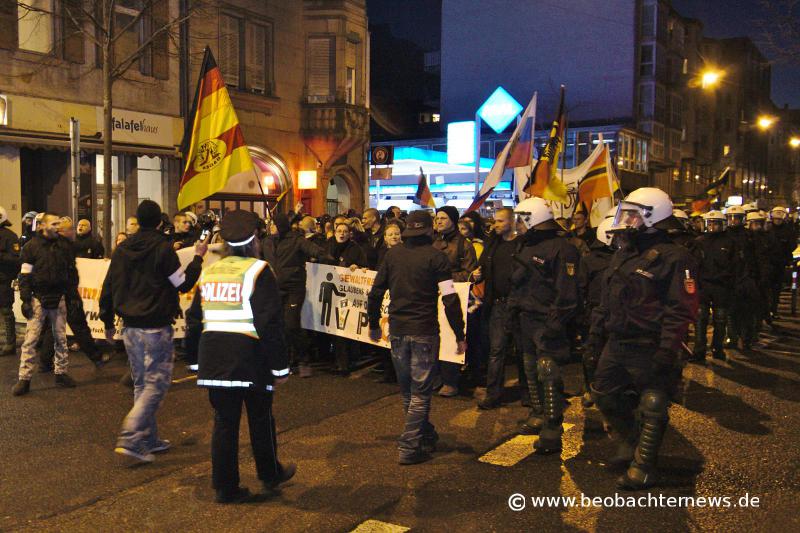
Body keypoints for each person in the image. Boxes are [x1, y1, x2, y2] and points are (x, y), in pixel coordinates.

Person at [587, 187, 698, 490]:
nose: (627, 220)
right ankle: (629, 440)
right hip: (618, 340)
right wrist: (596, 335)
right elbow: (606, 298)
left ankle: (644, 465)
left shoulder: (675, 257)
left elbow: (681, 308)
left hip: (650, 343)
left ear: (653, 215)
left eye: (633, 214)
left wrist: (668, 349)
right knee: (604, 394)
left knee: (652, 403)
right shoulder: (624, 252)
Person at [186, 210, 295, 504]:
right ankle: (269, 474)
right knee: (261, 418)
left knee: (224, 423)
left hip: (214, 359)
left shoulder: (210, 271)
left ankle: (225, 487)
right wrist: (281, 367)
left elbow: (194, 318)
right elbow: (270, 323)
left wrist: (195, 361)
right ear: (254, 240)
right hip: (251, 359)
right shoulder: (259, 271)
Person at [99, 200, 207, 464]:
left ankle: (148, 439)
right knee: (156, 384)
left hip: (130, 328)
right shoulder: (162, 249)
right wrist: (198, 257)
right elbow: (182, 285)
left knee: (140, 384)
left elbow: (109, 285)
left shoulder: (123, 249)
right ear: (160, 221)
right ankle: (132, 438)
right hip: (156, 326)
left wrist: (107, 320)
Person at [367, 210, 466, 465]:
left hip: (398, 331)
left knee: (409, 393)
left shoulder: (392, 255)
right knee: (420, 393)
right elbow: (449, 298)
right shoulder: (437, 258)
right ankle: (409, 446)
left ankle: (425, 434)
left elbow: (376, 292)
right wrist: (459, 333)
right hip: (424, 331)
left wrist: (374, 323)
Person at [507, 197, 579, 452]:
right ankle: (538, 412)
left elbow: (567, 292)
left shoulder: (562, 248)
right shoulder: (524, 246)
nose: (518, 224)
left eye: (522, 219)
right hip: (525, 317)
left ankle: (552, 424)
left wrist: (555, 323)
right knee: (528, 367)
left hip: (547, 319)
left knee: (547, 370)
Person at [12, 214, 79, 396]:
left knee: (61, 339)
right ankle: (24, 379)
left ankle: (61, 373)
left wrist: (73, 296)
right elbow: (24, 276)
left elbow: (72, 272)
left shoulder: (64, 246)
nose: (58, 226)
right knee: (30, 341)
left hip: (59, 298)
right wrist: (26, 300)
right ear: (42, 226)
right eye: (54, 223)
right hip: (38, 299)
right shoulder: (31, 247)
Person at [261, 213, 332, 378]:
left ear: (280, 226)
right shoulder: (267, 242)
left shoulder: (296, 240)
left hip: (294, 289)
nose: (270, 227)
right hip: (274, 289)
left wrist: (328, 258)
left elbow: (314, 250)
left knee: (291, 324)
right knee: (277, 326)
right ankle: (284, 360)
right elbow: (256, 255)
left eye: (273, 224)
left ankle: (304, 360)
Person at [471, 207, 519, 409]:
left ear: (512, 222)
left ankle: (528, 393)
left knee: (524, 350)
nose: (495, 225)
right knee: (496, 350)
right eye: (495, 221)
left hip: (519, 304)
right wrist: (477, 275)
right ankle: (493, 393)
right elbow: (481, 268)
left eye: (500, 221)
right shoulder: (493, 245)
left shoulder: (522, 244)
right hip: (498, 304)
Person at [433, 206, 477, 397]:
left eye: (443, 218)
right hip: (433, 296)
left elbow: (469, 273)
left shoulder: (464, 245)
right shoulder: (433, 242)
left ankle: (451, 380)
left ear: (453, 220)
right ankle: (435, 378)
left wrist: (443, 278)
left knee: (451, 336)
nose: (439, 221)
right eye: (437, 218)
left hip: (452, 296)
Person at [577, 217, 615, 407]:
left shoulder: (625, 258)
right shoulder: (590, 260)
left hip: (617, 312)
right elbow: (581, 287)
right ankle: (590, 388)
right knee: (591, 352)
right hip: (595, 312)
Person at [689, 211, 737, 361]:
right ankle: (699, 350)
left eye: (716, 223)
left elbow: (735, 265)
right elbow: (694, 263)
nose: (712, 226)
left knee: (720, 318)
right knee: (700, 318)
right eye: (710, 223)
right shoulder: (699, 241)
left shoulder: (729, 242)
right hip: (703, 285)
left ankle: (718, 347)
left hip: (721, 286)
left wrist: (728, 280)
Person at [327, 221, 368, 375]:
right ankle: (338, 361)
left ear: (349, 233)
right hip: (331, 293)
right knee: (334, 329)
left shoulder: (356, 249)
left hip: (348, 295)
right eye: (339, 231)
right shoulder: (328, 246)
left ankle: (346, 363)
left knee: (345, 328)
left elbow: (364, 266)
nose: (342, 234)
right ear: (335, 232)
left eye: (345, 231)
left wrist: (357, 268)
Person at [767, 206, 795, 320]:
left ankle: (773, 309)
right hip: (768, 263)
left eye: (779, 219)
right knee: (767, 288)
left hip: (780, 263)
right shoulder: (767, 230)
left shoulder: (788, 231)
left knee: (776, 288)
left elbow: (791, 246)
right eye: (776, 219)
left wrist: (788, 259)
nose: (777, 221)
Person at [0, 206, 20, 356]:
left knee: (6, 311)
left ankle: (10, 343)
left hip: (3, 279)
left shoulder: (10, 236)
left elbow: (15, 259)